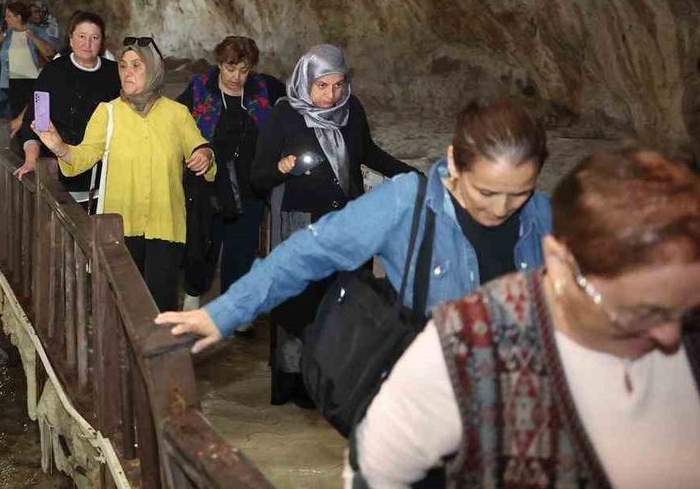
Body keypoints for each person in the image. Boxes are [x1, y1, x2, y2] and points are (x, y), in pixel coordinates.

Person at [353, 147, 700, 488]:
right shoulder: (467, 344)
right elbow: (379, 472)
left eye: (688, 310)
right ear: (562, 264)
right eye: (641, 311)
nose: (671, 336)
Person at [155, 98, 552, 363]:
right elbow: (307, 253)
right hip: (433, 400)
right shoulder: (405, 204)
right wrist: (222, 313)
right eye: (486, 191)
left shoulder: (541, 214)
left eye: (518, 194)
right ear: (455, 160)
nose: (500, 209)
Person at [251, 44, 417, 404]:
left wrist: (410, 175)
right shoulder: (284, 117)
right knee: (302, 306)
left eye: (338, 85)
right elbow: (257, 176)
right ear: (304, 83)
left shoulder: (351, 111)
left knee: (345, 305)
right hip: (302, 228)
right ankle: (301, 385)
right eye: (322, 86)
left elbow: (368, 153)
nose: (332, 95)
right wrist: (279, 168)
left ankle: (340, 381)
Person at [34, 37, 216, 312]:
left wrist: (205, 155)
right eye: (122, 66)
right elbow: (82, 158)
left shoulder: (177, 114)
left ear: (154, 69)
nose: (127, 72)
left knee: (160, 307)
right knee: (122, 307)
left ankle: (158, 353)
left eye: (136, 65)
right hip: (119, 226)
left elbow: (200, 145)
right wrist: (59, 147)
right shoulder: (107, 113)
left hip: (165, 224)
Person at [176, 37, 287, 313]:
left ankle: (234, 307)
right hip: (208, 181)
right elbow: (175, 120)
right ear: (220, 64)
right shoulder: (201, 87)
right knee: (202, 242)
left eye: (244, 69)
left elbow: (295, 106)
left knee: (242, 247)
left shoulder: (265, 88)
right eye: (231, 68)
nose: (237, 77)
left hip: (249, 182)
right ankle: (193, 293)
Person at [15, 11, 122, 203]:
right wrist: (31, 160)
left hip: (101, 174)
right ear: (71, 39)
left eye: (94, 37)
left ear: (101, 42)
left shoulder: (114, 73)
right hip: (56, 171)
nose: (87, 44)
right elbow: (36, 119)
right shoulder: (53, 71)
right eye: (81, 36)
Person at [0, 1, 51, 117]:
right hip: (14, 82)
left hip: (35, 81)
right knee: (17, 116)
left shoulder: (36, 31)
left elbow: (49, 52)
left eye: (9, 16)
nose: (6, 19)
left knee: (39, 117)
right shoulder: (7, 35)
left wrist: (34, 38)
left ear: (18, 17)